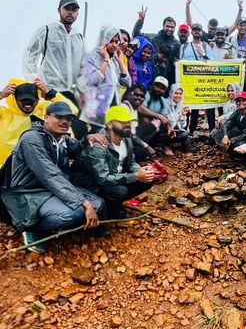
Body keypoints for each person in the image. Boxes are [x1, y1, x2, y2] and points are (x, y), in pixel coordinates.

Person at [1, 102, 107, 253]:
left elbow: (75, 147)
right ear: (46, 118)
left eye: (68, 118)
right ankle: (32, 228)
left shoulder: (61, 139)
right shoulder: (31, 139)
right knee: (72, 213)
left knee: (99, 203)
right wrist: (83, 202)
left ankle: (62, 222)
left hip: (51, 191)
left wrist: (87, 138)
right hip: (29, 193)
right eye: (58, 117)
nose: (64, 122)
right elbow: (50, 175)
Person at [70, 106, 155, 219]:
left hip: (115, 177)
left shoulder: (126, 139)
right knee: (119, 191)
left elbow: (131, 162)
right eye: (122, 121)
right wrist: (134, 176)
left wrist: (139, 171)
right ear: (110, 124)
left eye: (129, 121)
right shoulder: (98, 146)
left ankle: (115, 205)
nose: (128, 124)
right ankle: (107, 214)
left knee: (147, 180)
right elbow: (103, 179)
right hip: (92, 185)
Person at [0, 78, 77, 165]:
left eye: (31, 100)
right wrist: (1, 95)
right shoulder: (3, 114)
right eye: (23, 100)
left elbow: (72, 110)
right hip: (6, 171)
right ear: (15, 99)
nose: (27, 104)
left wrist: (49, 92)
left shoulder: (44, 110)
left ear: (37, 99)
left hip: (39, 168)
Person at [23, 0, 86, 103]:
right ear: (59, 10)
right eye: (67, 8)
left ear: (77, 14)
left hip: (70, 95)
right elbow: (29, 54)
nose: (70, 12)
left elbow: (83, 67)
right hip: (48, 92)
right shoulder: (47, 31)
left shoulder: (79, 38)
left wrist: (82, 90)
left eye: (74, 10)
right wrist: (34, 81)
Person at [80, 26, 131, 130]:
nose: (114, 44)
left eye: (117, 42)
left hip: (110, 110)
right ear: (104, 40)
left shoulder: (115, 59)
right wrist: (106, 60)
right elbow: (93, 80)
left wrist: (120, 61)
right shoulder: (92, 56)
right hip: (94, 111)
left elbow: (127, 83)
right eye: (111, 41)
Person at [179, 23, 216, 135]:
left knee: (210, 108)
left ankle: (212, 133)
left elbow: (213, 64)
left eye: (198, 30)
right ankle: (188, 132)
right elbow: (180, 64)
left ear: (201, 32)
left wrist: (204, 54)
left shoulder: (206, 47)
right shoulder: (184, 46)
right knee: (191, 108)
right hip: (190, 83)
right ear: (191, 32)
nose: (196, 31)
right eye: (194, 29)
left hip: (205, 83)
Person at [132, 6, 180, 85]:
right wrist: (140, 21)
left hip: (167, 78)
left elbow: (178, 62)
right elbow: (136, 35)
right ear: (163, 26)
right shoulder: (153, 38)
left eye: (172, 27)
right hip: (149, 74)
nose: (170, 29)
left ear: (175, 28)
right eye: (167, 26)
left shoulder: (177, 44)